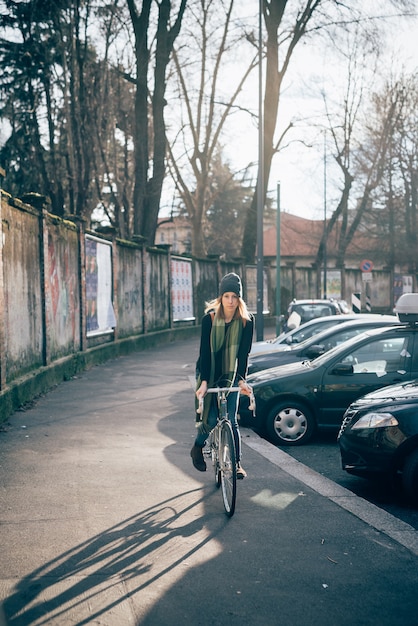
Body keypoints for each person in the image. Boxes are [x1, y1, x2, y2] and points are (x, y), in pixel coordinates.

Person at [190, 272, 254, 479]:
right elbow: (205, 353)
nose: (230, 301)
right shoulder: (208, 319)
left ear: (240, 299)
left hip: (231, 372)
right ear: (221, 297)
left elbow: (243, 354)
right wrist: (205, 382)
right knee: (209, 418)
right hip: (208, 370)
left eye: (234, 297)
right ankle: (198, 447)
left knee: (231, 420)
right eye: (227, 296)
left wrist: (242, 380)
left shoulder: (246, 322)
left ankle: (236, 464)